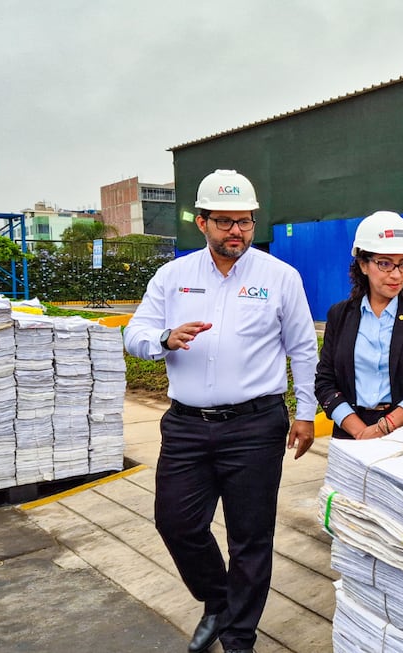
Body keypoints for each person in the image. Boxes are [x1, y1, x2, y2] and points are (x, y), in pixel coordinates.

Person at [124, 169, 318, 653]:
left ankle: (238, 637)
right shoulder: (173, 277)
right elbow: (135, 333)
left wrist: (306, 413)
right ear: (202, 223)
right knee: (176, 522)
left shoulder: (280, 277)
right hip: (187, 426)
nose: (237, 231)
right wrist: (164, 338)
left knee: (250, 538)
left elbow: (303, 349)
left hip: (256, 426)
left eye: (245, 221)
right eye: (225, 222)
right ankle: (218, 601)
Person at [315, 211, 403, 438]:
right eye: (385, 264)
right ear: (363, 264)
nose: (396, 275)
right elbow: (325, 381)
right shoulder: (340, 315)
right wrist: (359, 432)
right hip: (351, 433)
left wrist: (385, 427)